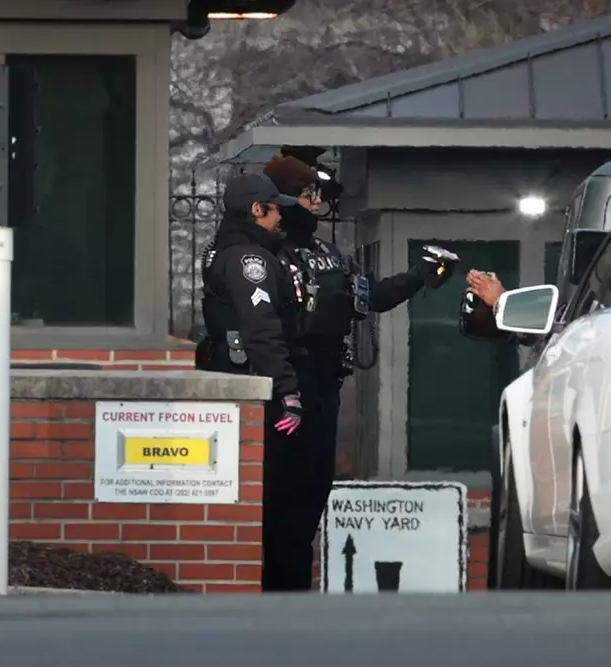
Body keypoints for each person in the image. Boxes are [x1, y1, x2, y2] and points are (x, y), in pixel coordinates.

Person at [260, 149, 458, 590]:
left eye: (317, 193)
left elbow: (368, 298)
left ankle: (293, 590)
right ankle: (275, 590)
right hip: (285, 388)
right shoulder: (263, 254)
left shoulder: (328, 252)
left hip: (326, 384)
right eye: (306, 193)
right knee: (280, 497)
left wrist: (418, 276)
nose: (315, 202)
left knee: (313, 492)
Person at [196, 172, 307, 589]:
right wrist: (287, 392)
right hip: (253, 388)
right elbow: (260, 329)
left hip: (243, 382)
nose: (281, 216)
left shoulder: (229, 251)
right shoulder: (249, 259)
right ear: (257, 210)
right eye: (274, 208)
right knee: (271, 497)